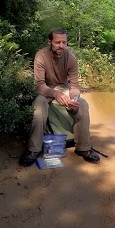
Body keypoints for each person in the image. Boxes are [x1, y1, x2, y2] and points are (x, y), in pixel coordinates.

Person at [19, 28, 100, 166]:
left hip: (64, 87)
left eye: (64, 42)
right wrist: (55, 94)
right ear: (49, 42)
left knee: (83, 104)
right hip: (46, 89)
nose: (61, 46)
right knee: (39, 105)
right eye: (58, 42)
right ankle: (33, 149)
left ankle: (84, 148)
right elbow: (39, 85)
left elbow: (74, 86)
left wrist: (73, 99)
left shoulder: (71, 58)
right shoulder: (41, 56)